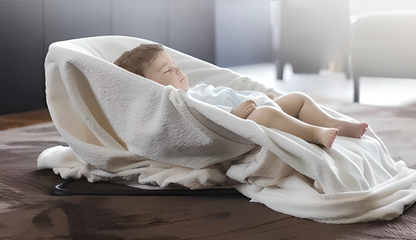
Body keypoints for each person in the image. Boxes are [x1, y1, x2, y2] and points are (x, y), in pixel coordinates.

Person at [114, 44, 368, 148]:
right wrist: (235, 116)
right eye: (167, 70)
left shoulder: (197, 89)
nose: (178, 69)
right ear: (149, 87)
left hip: (256, 107)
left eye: (174, 63)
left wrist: (258, 95)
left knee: (297, 98)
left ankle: (334, 123)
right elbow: (206, 126)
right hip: (242, 125)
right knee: (267, 114)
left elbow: (229, 94)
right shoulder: (182, 105)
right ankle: (313, 133)